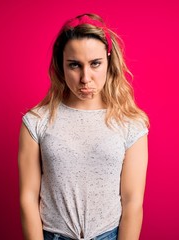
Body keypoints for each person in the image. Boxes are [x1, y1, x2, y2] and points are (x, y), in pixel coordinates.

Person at [18, 13, 149, 240]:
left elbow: (133, 202)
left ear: (109, 62)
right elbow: (28, 197)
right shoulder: (36, 121)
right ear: (62, 66)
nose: (85, 78)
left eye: (95, 64)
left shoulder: (131, 123)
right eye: (75, 65)